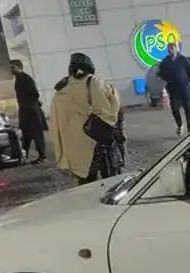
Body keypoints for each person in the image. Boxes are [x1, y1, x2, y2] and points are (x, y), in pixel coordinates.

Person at [49, 52, 122, 185]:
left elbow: (56, 122)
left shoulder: (61, 90)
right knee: (110, 180)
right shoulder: (95, 83)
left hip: (75, 146)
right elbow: (110, 112)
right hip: (96, 142)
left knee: (86, 181)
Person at [10, 59, 48, 164]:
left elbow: (35, 94)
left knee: (37, 135)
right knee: (26, 135)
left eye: (13, 67)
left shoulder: (26, 79)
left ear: (19, 67)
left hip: (32, 112)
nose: (11, 70)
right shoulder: (19, 79)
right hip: (26, 111)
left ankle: (42, 157)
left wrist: (30, 105)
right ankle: (23, 156)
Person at [157, 42, 190, 136]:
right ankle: (180, 125)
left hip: (184, 87)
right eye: (169, 49)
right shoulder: (165, 62)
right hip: (173, 88)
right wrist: (166, 79)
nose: (171, 50)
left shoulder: (182, 59)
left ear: (176, 49)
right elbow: (160, 73)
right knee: (175, 108)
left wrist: (187, 81)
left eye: (172, 48)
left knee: (188, 108)